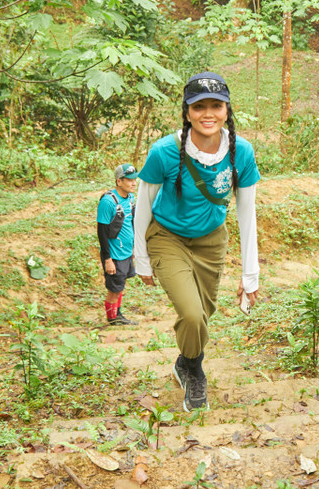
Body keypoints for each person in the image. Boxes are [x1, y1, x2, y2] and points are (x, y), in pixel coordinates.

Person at [133, 71, 260, 412]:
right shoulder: (164, 151)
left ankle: (183, 362)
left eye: (216, 106)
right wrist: (140, 258)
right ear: (187, 112)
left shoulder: (240, 153)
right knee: (191, 315)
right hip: (167, 238)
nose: (208, 114)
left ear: (227, 110)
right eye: (199, 106)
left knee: (203, 314)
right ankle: (195, 369)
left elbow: (247, 214)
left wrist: (251, 276)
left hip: (211, 241)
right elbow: (143, 205)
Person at [97, 163, 139, 326]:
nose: (133, 183)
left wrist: (134, 246)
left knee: (120, 285)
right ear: (119, 181)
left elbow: (131, 222)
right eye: (129, 180)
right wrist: (108, 259)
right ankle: (112, 319)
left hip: (127, 251)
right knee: (114, 289)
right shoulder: (108, 202)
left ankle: (117, 314)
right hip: (114, 254)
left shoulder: (130, 198)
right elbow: (102, 231)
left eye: (135, 179)